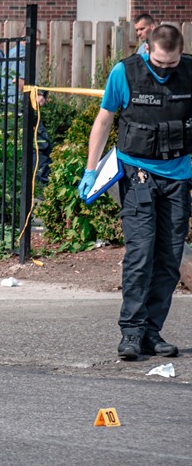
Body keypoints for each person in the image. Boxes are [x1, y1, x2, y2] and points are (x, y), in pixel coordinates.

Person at [78, 24, 189, 361]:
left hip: (178, 177)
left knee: (169, 259)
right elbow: (104, 119)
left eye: (171, 64)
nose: (165, 70)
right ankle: (131, 332)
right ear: (147, 49)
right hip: (137, 173)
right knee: (141, 255)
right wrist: (90, 169)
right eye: (159, 63)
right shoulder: (124, 73)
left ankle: (152, 333)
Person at [7, 36, 52, 183]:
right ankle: (38, 186)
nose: (38, 43)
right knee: (40, 145)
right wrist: (38, 96)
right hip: (20, 107)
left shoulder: (22, 54)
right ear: (24, 39)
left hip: (22, 107)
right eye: (36, 39)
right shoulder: (20, 54)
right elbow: (18, 81)